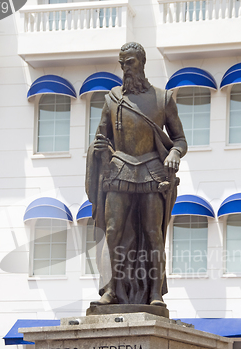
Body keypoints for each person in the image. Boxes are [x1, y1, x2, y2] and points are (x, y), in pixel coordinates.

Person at [86, 42, 187, 307]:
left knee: (153, 233)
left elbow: (180, 140)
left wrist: (175, 153)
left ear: (141, 62)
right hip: (119, 170)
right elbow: (101, 137)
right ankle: (111, 289)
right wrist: (98, 149)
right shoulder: (112, 99)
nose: (125, 68)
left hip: (152, 172)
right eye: (122, 63)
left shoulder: (163, 99)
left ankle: (154, 291)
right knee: (112, 230)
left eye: (129, 62)